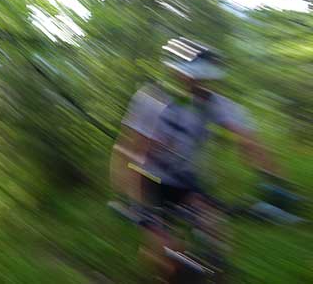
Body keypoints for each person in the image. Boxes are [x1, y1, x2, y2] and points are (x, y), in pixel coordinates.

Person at [110, 37, 277, 281]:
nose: (202, 83)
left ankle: (216, 274)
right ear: (176, 72)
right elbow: (129, 152)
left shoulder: (212, 102)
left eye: (207, 78)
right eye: (196, 76)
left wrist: (272, 181)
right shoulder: (153, 100)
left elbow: (248, 140)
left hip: (184, 179)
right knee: (164, 249)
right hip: (147, 179)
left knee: (216, 233)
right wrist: (139, 208)